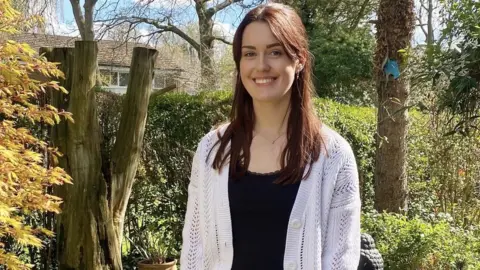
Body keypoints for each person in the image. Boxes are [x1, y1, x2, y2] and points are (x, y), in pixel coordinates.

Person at [180, 3, 361, 270]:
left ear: (298, 60)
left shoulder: (333, 155)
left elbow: (341, 258)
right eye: (250, 53)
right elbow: (194, 251)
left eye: (275, 52)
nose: (261, 66)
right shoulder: (211, 150)